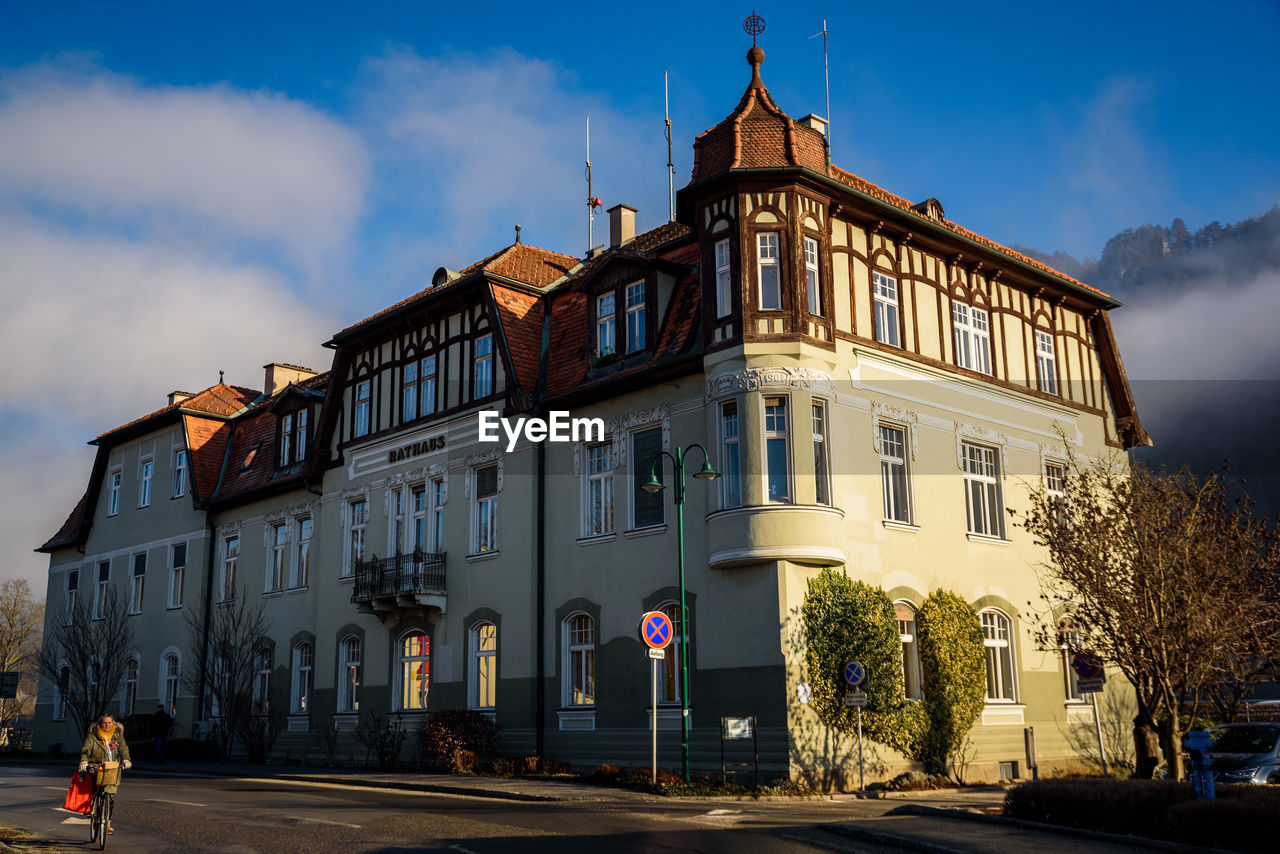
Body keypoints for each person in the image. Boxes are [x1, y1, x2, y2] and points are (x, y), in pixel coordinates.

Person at [78, 714, 131, 835]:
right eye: (104, 723)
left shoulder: (117, 736)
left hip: (112, 769)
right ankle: (93, 810)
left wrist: (126, 760)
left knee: (110, 796)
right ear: (99, 724)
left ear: (114, 724)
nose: (107, 725)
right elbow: (85, 750)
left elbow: (124, 749)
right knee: (95, 791)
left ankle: (107, 824)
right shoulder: (92, 736)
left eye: (110, 723)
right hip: (96, 768)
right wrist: (84, 761)